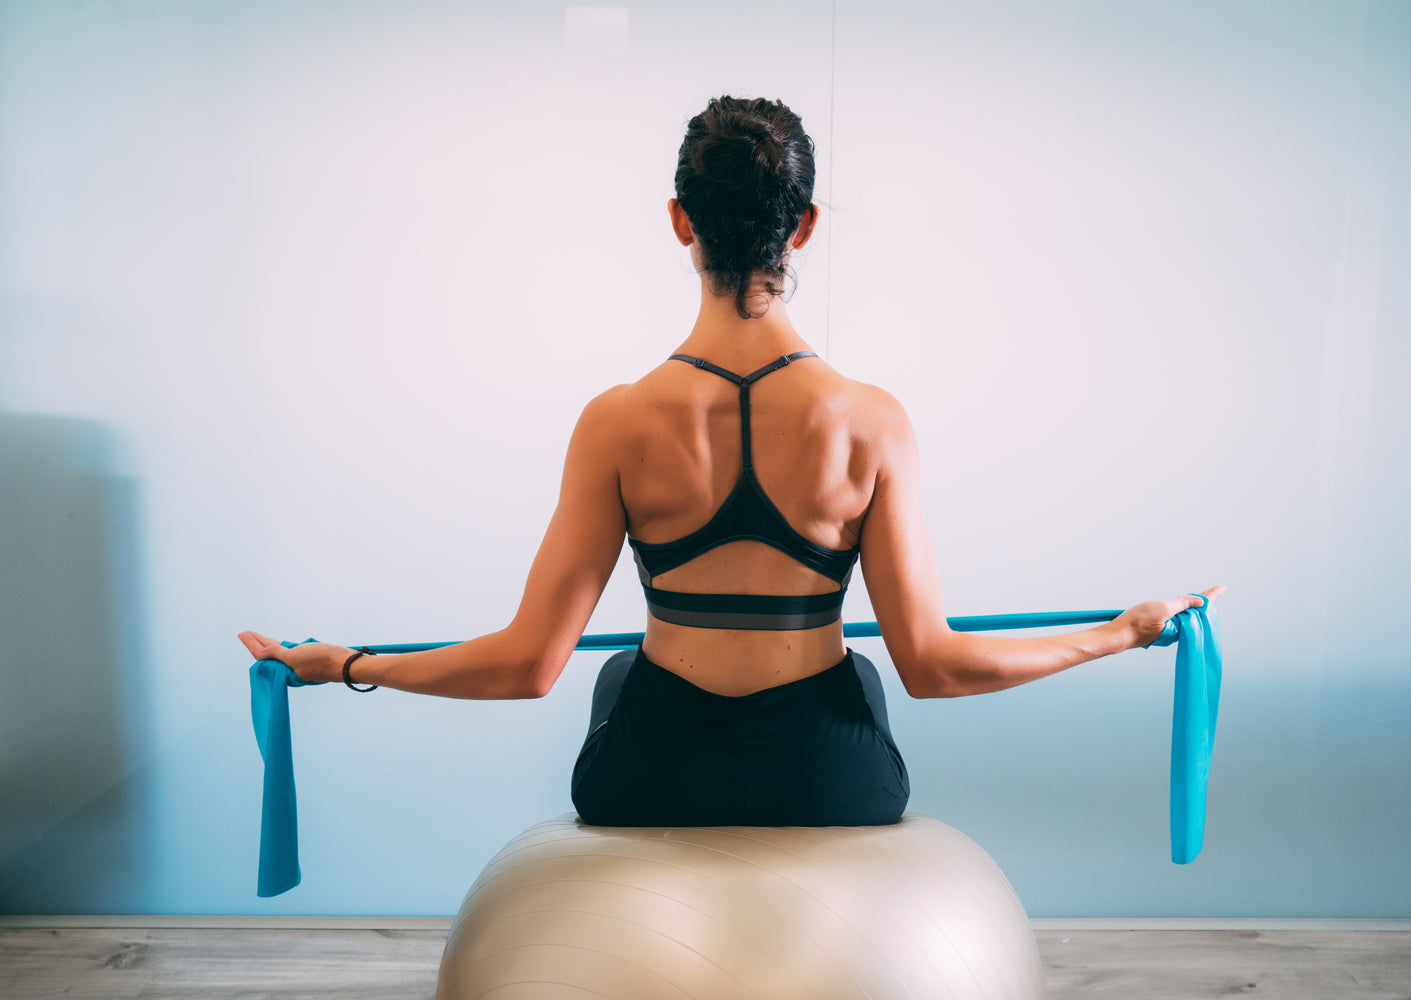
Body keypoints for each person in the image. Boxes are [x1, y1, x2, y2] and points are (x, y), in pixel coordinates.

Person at [238, 95, 1224, 827]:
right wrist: (1119, 631)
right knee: (866, 681)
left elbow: (529, 663)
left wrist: (348, 665)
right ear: (802, 227)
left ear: (680, 220)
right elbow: (934, 664)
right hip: (830, 780)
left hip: (652, 776)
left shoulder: (617, 421)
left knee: (619, 672)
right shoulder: (870, 420)